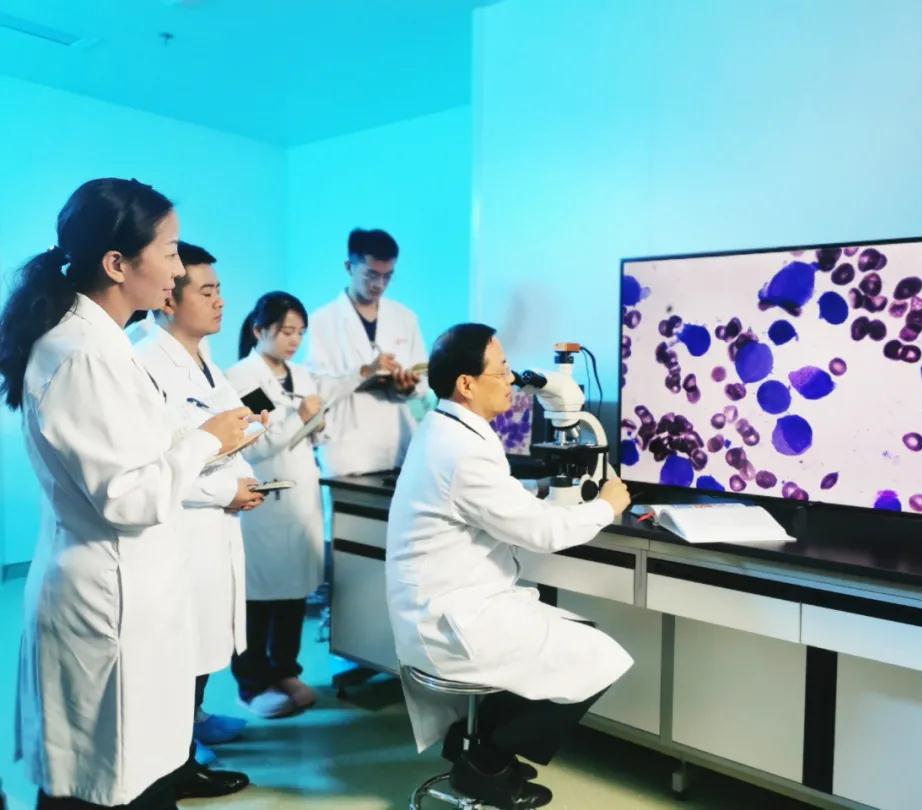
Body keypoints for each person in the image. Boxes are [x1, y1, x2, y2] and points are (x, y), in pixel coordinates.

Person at [0, 178, 251, 809]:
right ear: (117, 264)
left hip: (129, 594)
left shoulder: (103, 344)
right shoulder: (82, 353)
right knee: (104, 789)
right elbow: (129, 496)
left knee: (134, 775)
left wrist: (200, 439)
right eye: (169, 251)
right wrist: (207, 441)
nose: (178, 268)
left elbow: (138, 448)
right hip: (104, 599)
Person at [386, 323, 634, 809]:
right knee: (603, 657)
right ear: (467, 384)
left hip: (444, 607)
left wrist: (534, 492)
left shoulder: (444, 429)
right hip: (452, 621)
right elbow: (542, 534)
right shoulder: (462, 451)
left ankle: (475, 750)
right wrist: (607, 506)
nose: (511, 380)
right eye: (501, 370)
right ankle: (488, 765)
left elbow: (482, 499)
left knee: (575, 633)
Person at [134, 241, 263, 798]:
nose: (220, 301)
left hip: (215, 529)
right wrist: (225, 489)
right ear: (169, 299)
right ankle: (174, 766)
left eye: (219, 290)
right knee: (177, 655)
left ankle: (186, 746)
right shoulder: (145, 362)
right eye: (206, 291)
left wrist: (245, 473)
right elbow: (154, 466)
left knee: (201, 649)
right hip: (179, 532)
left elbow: (233, 429)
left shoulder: (204, 360)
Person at [227, 292, 327, 717]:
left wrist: (316, 422)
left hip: (300, 499)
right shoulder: (243, 378)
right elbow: (258, 443)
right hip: (264, 501)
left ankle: (285, 670)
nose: (294, 340)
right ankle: (251, 684)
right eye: (286, 331)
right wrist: (301, 417)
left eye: (300, 333)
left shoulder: (301, 375)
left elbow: (314, 433)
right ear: (259, 330)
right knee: (257, 596)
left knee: (293, 592)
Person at [307, 227, 427, 476]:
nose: (379, 284)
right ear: (349, 267)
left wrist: (408, 386)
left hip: (398, 447)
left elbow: (424, 380)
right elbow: (317, 387)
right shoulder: (322, 321)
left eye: (388, 276)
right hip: (349, 454)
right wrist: (364, 372)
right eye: (371, 274)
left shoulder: (405, 318)